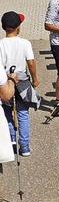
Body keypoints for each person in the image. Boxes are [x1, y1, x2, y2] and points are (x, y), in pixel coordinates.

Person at [0, 11, 39, 156]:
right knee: (23, 114)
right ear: (19, 28)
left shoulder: (1, 44)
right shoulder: (25, 43)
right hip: (22, 82)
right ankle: (25, 146)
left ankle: (11, 141)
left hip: (5, 82)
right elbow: (31, 63)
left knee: (7, 113)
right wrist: (35, 79)